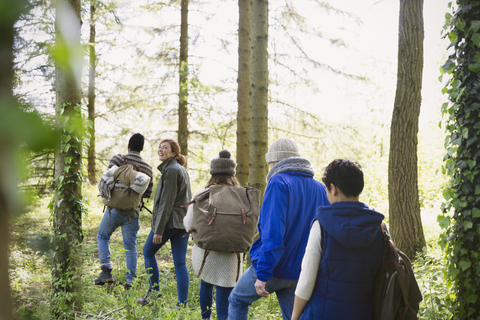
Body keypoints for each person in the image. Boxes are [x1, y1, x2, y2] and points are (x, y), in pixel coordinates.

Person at [228, 138, 330, 320]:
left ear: (275, 161)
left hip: (274, 269)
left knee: (237, 301)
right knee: (294, 317)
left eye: (270, 163)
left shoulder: (278, 182)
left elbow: (273, 234)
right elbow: (323, 235)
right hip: (302, 272)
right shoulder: (320, 188)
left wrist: (263, 273)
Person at [291, 159, 385, 320]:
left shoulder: (321, 226)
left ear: (333, 189)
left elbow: (306, 281)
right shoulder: (379, 228)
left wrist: (294, 317)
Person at [183, 150, 243, 320]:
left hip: (206, 253)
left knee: (206, 283)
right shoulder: (242, 196)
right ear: (232, 173)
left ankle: (205, 317)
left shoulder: (202, 194)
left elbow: (188, 224)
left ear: (213, 172)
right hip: (232, 255)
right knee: (224, 298)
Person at [94, 133, 154, 289]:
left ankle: (106, 271)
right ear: (142, 148)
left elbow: (106, 179)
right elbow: (148, 193)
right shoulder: (147, 168)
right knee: (130, 247)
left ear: (128, 146)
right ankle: (130, 280)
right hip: (132, 213)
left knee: (102, 236)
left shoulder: (118, 160)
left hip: (112, 210)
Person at [137, 138, 192, 307]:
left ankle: (154, 294)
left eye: (165, 148)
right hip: (183, 223)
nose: (161, 150)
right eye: (159, 147)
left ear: (174, 153)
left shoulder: (172, 170)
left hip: (170, 223)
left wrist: (159, 230)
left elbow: (167, 202)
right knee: (180, 263)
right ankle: (182, 304)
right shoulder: (178, 169)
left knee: (147, 252)